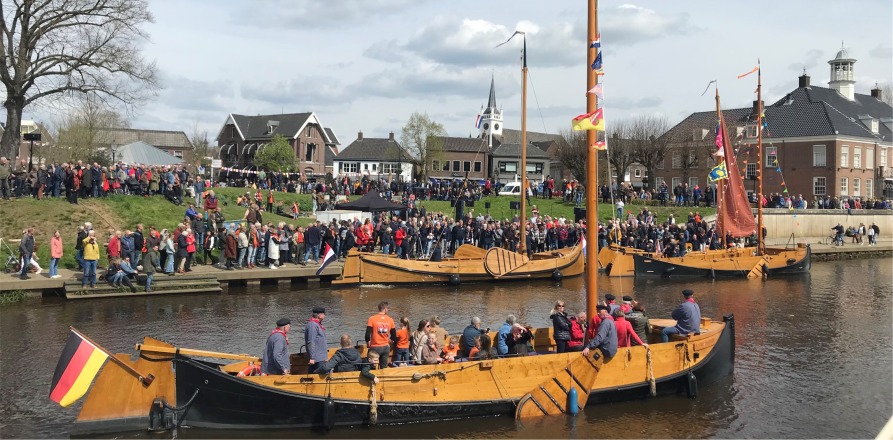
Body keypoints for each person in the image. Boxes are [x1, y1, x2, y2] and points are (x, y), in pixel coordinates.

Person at [365, 301, 397, 369]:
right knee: (384, 368)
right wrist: (388, 342)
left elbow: (367, 335)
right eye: (388, 309)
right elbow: (394, 336)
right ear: (385, 309)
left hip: (375, 346)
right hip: (385, 347)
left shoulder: (372, 319)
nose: (388, 310)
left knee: (371, 367)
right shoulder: (390, 320)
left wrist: (368, 343)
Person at [305, 307, 327, 374]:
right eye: (323, 314)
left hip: (320, 357)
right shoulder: (312, 325)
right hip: (317, 358)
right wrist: (312, 357)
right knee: (317, 376)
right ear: (319, 315)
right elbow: (311, 341)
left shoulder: (317, 324)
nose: (325, 315)